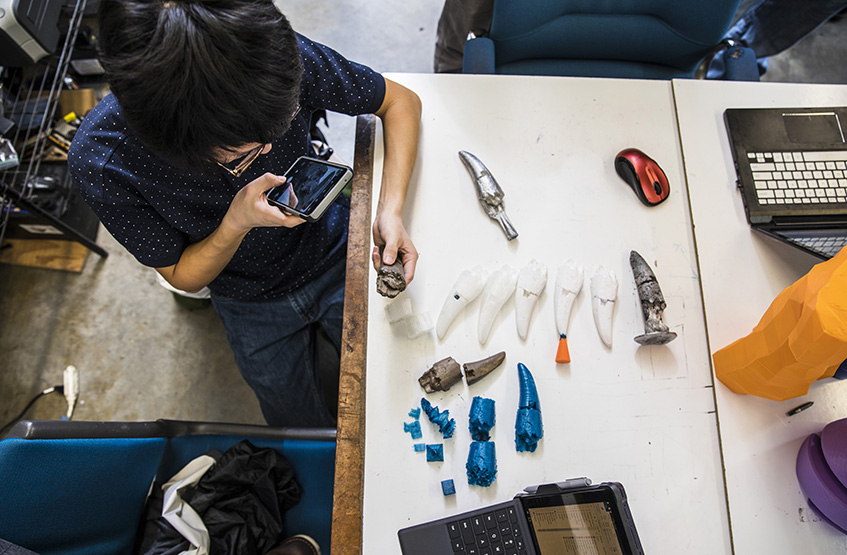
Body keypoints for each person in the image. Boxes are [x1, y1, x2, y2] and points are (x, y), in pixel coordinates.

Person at [68, 0, 421, 427]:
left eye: (284, 124)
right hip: (246, 297)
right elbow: (183, 274)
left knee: (406, 384)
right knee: (296, 428)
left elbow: (400, 103)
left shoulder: (269, 60)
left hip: (334, 248)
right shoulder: (105, 161)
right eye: (245, 154)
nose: (270, 151)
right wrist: (235, 223)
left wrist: (390, 210)